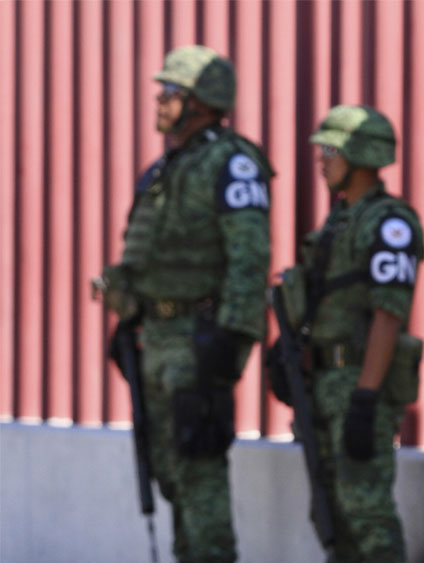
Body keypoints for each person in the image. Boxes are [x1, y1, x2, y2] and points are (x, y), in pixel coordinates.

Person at [98, 45, 273, 562]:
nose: (159, 102)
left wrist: (232, 339)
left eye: (169, 93)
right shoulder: (166, 169)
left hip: (198, 341)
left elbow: (249, 257)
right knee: (171, 473)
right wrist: (129, 318)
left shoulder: (231, 163)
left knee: (199, 473)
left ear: (200, 101)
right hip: (156, 339)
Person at [274, 104, 424, 563]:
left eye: (330, 150)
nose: (321, 160)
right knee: (332, 514)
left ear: (360, 155)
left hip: (361, 387)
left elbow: (387, 314)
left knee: (367, 514)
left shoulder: (389, 223)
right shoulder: (339, 222)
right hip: (323, 386)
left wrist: (364, 400)